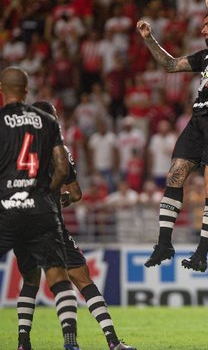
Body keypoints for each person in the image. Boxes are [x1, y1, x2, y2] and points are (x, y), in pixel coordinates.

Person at [136, 9, 208, 272]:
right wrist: (149, 39)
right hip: (198, 119)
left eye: (207, 24)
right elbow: (169, 65)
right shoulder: (206, 56)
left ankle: (201, 253)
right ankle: (164, 244)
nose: (202, 30)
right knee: (175, 175)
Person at [13, 101, 136, 350]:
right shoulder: (58, 149)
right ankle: (110, 341)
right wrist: (64, 198)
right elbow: (77, 193)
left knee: (30, 281)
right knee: (80, 279)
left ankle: (23, 342)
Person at [0, 67, 79, 350]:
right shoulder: (47, 120)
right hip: (41, 209)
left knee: (29, 277)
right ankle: (70, 341)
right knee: (57, 275)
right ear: (26, 89)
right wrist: (45, 191)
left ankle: (23, 342)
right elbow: (61, 166)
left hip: (7, 207)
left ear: (2, 89)